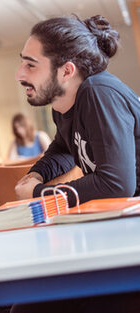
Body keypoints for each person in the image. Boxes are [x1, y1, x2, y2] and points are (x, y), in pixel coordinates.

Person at [11, 15, 140, 313]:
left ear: (66, 70)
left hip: (130, 251)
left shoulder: (98, 93)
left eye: (31, 64)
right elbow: (62, 148)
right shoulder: (66, 105)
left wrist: (40, 196)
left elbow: (116, 183)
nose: (19, 74)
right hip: (119, 236)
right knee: (20, 305)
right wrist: (36, 174)